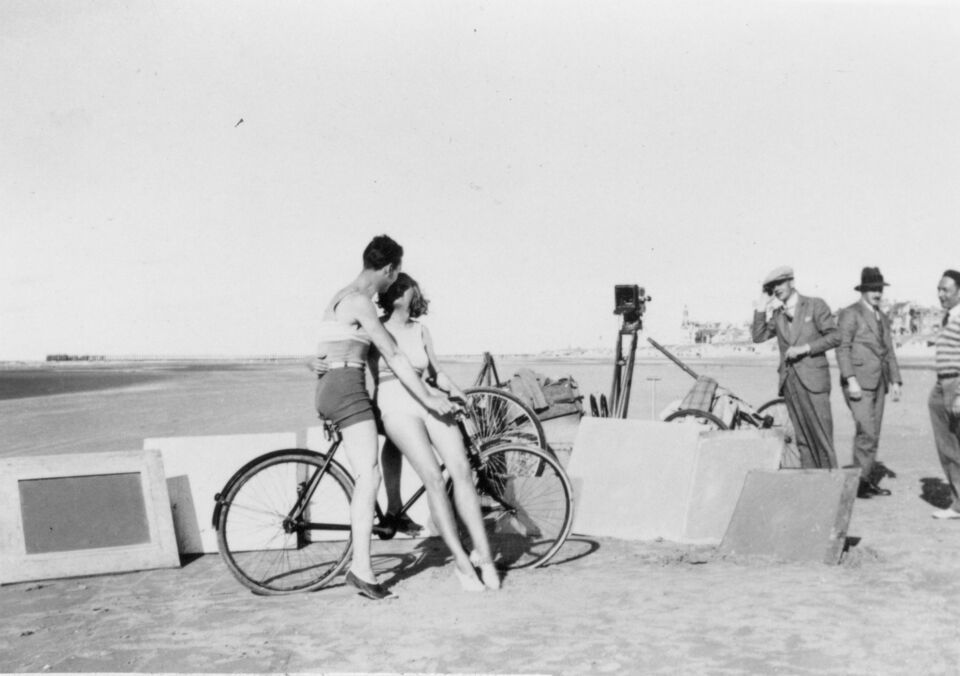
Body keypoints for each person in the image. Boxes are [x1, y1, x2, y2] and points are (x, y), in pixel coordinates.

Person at [314, 235, 457, 600]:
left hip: (331, 385)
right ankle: (361, 570)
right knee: (368, 476)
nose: (396, 282)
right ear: (390, 269)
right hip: (347, 390)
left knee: (388, 437)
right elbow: (392, 353)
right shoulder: (361, 301)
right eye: (396, 274)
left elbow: (325, 348)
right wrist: (427, 396)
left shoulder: (339, 295)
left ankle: (393, 513)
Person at [371, 273, 500, 591]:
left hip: (428, 399)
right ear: (392, 296)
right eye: (399, 288)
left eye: (407, 286)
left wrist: (457, 391)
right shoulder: (376, 328)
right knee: (432, 477)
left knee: (462, 470)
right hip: (396, 403)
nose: (405, 292)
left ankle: (485, 557)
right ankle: (462, 562)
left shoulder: (421, 330)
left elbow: (435, 373)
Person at [752, 266, 841, 469]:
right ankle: (811, 486)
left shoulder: (814, 305)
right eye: (772, 286)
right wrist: (761, 306)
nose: (776, 289)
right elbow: (758, 336)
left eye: (780, 283)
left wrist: (805, 348)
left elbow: (835, 336)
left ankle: (830, 489)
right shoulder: (778, 314)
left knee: (823, 438)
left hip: (814, 381)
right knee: (802, 439)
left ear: (791, 282)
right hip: (790, 382)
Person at [836, 267, 902, 497]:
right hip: (858, 382)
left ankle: (864, 479)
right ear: (863, 290)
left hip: (879, 382)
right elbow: (842, 348)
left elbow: (889, 351)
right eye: (873, 289)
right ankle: (859, 482)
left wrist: (895, 381)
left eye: (880, 289)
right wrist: (850, 379)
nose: (877, 293)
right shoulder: (850, 313)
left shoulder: (881, 316)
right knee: (867, 431)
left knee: (873, 432)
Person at [929, 269, 960, 520]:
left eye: (946, 290)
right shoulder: (947, 317)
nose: (941, 294)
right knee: (947, 446)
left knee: (955, 444)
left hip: (955, 386)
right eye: (939, 289)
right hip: (942, 385)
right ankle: (958, 502)